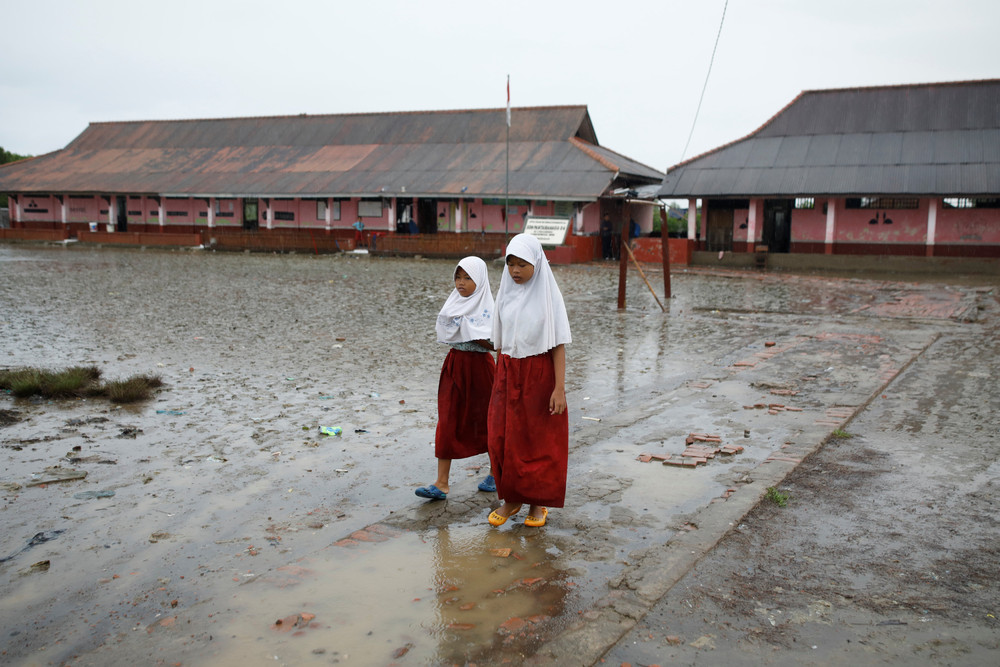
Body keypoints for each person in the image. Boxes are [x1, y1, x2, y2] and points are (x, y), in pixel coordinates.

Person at [486, 233, 571, 528]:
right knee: (503, 437)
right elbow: (499, 340)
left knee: (536, 440)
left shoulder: (549, 296)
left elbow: (559, 344)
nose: (515, 271)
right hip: (508, 372)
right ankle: (512, 498)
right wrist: (499, 379)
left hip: (539, 374)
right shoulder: (505, 293)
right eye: (511, 264)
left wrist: (559, 389)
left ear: (536, 263)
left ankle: (537, 504)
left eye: (523, 264)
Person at [415, 257, 497, 501]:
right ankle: (441, 483)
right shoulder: (452, 304)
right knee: (447, 419)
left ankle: (495, 473)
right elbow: (446, 333)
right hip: (455, 365)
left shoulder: (490, 309)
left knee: (488, 420)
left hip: (481, 368)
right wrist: (462, 327)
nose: (461, 283)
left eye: (468, 278)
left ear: (480, 281)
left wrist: (472, 331)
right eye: (458, 277)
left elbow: (496, 344)